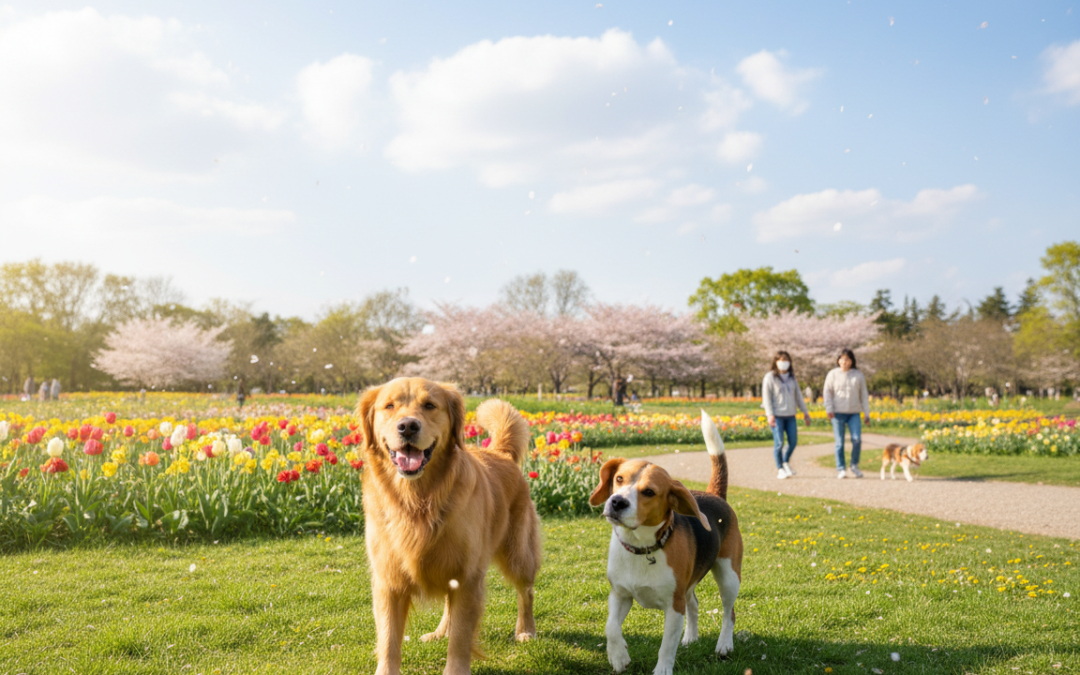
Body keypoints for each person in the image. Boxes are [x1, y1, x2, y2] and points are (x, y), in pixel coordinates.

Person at [762, 350, 811, 480]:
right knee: (779, 443)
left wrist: (805, 412)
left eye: (786, 360)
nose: (784, 363)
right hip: (777, 415)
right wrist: (769, 414)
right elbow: (766, 398)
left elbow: (798, 397)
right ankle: (780, 469)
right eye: (781, 360)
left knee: (793, 442)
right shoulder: (770, 377)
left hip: (790, 415)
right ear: (776, 362)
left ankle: (785, 462)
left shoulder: (792, 378)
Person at [823, 349, 871, 479]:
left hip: (854, 413)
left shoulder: (858, 375)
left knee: (856, 440)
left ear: (852, 361)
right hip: (837, 413)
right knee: (839, 442)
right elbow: (827, 393)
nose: (845, 362)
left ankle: (854, 465)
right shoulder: (832, 374)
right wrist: (829, 409)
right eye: (842, 359)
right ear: (838, 360)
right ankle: (841, 468)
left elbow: (864, 395)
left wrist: (867, 413)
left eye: (847, 359)